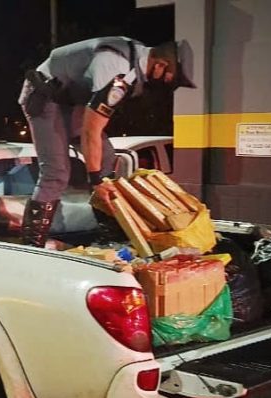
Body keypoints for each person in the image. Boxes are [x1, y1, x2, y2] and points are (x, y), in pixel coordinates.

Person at [18, 37, 195, 247]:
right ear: (160, 65)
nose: (164, 85)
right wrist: (96, 182)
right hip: (44, 96)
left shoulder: (135, 56)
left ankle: (108, 238)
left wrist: (102, 178)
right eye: (168, 79)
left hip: (69, 100)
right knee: (56, 173)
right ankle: (32, 244)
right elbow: (91, 130)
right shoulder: (115, 68)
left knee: (107, 160)